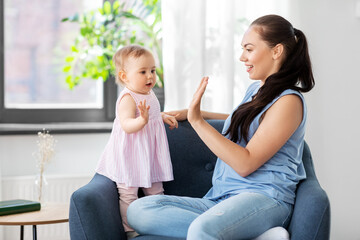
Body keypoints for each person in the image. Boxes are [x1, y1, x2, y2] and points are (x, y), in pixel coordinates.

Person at [127, 14, 315, 239]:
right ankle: (245, 234)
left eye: (249, 49)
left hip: (265, 198)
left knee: (201, 229)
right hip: (220, 199)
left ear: (276, 51)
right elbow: (244, 120)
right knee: (138, 211)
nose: (241, 57)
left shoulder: (289, 102)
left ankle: (225, 230)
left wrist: (198, 121)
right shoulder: (257, 90)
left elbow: (246, 163)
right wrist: (195, 113)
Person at [95, 45, 178, 239]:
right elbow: (126, 124)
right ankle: (130, 229)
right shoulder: (127, 98)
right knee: (128, 194)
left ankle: (158, 223)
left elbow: (153, 115)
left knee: (156, 191)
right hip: (131, 154)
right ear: (125, 77)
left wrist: (162, 116)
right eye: (143, 72)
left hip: (149, 155)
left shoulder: (149, 94)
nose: (150, 76)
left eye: (152, 70)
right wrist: (141, 120)